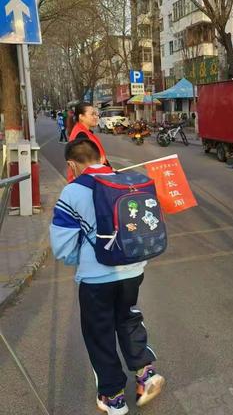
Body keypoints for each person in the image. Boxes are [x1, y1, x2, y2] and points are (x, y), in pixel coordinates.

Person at [50, 139, 164, 414]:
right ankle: (145, 374)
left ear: (71, 164)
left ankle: (113, 397)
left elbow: (62, 246)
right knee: (128, 318)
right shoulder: (125, 181)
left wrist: (80, 261)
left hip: (96, 278)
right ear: (100, 156)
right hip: (134, 269)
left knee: (99, 333)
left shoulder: (73, 191)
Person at [68, 102, 108, 182]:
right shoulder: (81, 135)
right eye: (92, 114)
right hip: (86, 181)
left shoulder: (85, 132)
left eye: (96, 114)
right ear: (81, 117)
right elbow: (87, 164)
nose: (96, 117)